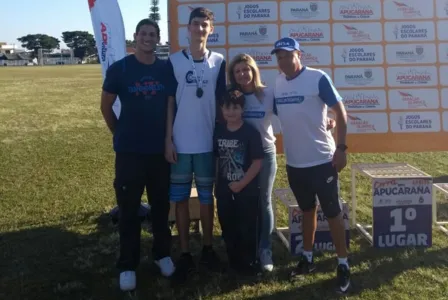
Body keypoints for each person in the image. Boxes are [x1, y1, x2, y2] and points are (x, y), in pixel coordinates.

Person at [227, 53, 337, 273]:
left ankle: (265, 249)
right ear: (233, 75)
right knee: (243, 202)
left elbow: (293, 111)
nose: (242, 74)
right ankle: (245, 247)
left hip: (266, 153)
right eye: (237, 71)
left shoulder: (268, 93)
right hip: (239, 155)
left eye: (246, 69)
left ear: (254, 71)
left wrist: (325, 119)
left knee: (264, 201)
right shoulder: (232, 96)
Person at [270, 37, 350, 294]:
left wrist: (341, 148)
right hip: (295, 163)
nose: (283, 61)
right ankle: (307, 257)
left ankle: (343, 263)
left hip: (322, 161)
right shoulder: (278, 83)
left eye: (287, 55)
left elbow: (340, 110)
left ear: (299, 55)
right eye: (279, 56)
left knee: (334, 213)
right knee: (306, 211)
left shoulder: (317, 77)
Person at [100, 19, 174, 292]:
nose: (147, 38)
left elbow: (169, 104)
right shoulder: (120, 68)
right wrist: (118, 133)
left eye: (152, 34)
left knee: (160, 207)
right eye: (143, 34)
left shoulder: (165, 68)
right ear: (135, 38)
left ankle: (161, 254)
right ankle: (128, 264)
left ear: (157, 39)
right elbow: (105, 105)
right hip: (129, 152)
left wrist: (168, 140)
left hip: (158, 152)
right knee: (129, 211)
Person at [165, 7, 227, 283]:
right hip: (180, 142)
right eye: (196, 24)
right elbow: (169, 103)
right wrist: (168, 139)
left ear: (210, 30)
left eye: (205, 25)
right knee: (178, 200)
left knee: (206, 198)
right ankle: (185, 253)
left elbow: (224, 103)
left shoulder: (219, 61)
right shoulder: (174, 61)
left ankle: (207, 248)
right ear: (187, 29)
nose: (200, 29)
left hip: (206, 143)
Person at [213, 88, 264, 275]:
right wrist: (217, 185)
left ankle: (249, 262)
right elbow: (217, 159)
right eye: (227, 107)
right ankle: (233, 261)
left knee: (247, 226)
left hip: (247, 190)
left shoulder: (250, 131)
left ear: (242, 109)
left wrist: (241, 184)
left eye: (235, 107)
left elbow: (258, 162)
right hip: (224, 190)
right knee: (228, 225)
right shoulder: (218, 131)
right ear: (221, 109)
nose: (231, 112)